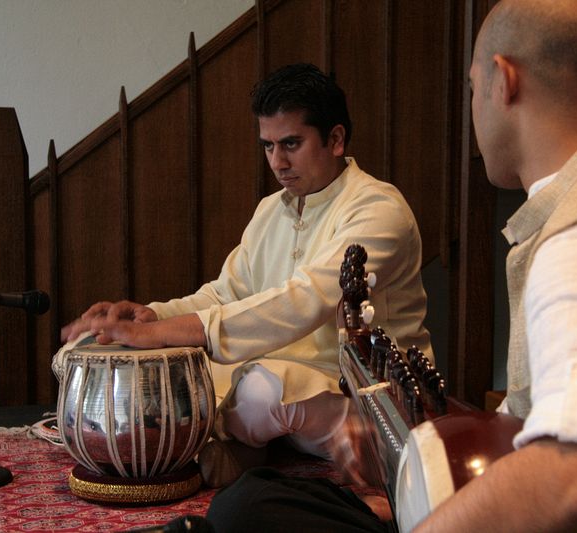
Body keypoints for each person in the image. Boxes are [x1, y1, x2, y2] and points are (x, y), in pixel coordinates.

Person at [204, 0, 577, 531]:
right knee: (267, 501)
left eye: (472, 88)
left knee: (245, 511)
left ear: (503, 79)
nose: (474, 106)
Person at [60, 62, 432, 488]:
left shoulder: (378, 208)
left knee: (258, 393)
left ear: (335, 139)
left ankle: (251, 446)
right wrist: (150, 317)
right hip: (286, 389)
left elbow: (306, 299)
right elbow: (227, 293)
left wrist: (174, 333)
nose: (278, 161)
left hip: (368, 402)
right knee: (169, 366)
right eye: (268, 146)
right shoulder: (271, 211)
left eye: (291, 143)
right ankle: (256, 444)